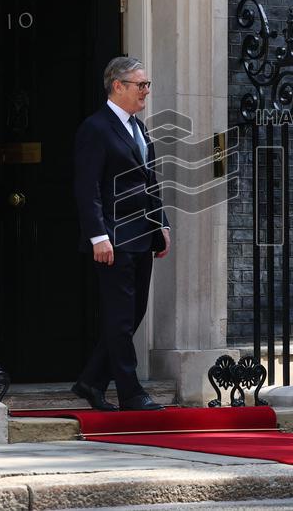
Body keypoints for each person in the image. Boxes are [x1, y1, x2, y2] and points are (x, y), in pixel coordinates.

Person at [72, 56, 171, 411]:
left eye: (147, 85)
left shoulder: (139, 128)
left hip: (141, 234)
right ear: (117, 86)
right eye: (140, 85)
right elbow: (88, 188)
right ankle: (131, 392)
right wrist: (98, 236)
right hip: (113, 237)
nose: (146, 91)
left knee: (133, 312)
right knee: (120, 316)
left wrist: (162, 223)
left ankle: (91, 381)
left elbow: (150, 181)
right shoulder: (95, 128)